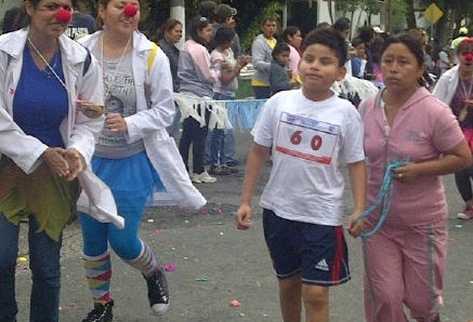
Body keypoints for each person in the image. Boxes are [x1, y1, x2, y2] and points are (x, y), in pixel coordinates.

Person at [78, 0, 205, 321]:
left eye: (132, 6)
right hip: (90, 161)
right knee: (93, 240)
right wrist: (85, 107)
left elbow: (165, 110)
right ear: (102, 11)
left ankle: (153, 272)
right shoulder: (80, 50)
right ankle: (102, 306)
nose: (128, 12)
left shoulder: (151, 55)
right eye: (120, 5)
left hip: (131, 162)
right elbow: (69, 95)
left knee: (121, 239)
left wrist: (130, 124)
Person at [236, 28, 367, 322]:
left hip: (322, 215)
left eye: (325, 61)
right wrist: (245, 201)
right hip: (278, 211)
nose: (315, 66)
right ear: (298, 63)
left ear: (340, 72)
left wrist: (360, 207)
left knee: (316, 294)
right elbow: (258, 151)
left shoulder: (346, 113)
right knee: (289, 284)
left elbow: (356, 162)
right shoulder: (279, 102)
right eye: (309, 58)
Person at [0, 0, 104, 321]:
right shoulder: (3, 52)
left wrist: (77, 151)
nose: (61, 14)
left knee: (46, 268)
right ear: (29, 8)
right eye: (50, 6)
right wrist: (39, 151)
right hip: (5, 171)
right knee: (1, 259)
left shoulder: (81, 59)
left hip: (54, 175)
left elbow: (92, 119)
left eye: (66, 6)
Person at [360, 34, 471, 322]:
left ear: (420, 68)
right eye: (388, 61)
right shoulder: (366, 108)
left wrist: (419, 169)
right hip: (378, 224)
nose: (394, 68)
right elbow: (355, 161)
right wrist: (359, 209)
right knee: (385, 298)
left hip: (423, 224)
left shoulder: (435, 111)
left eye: (403, 62)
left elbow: (462, 157)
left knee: (423, 304)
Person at [433, 37, 473, 220]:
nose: (469, 58)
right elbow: (435, 104)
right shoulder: (448, 77)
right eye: (464, 54)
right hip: (456, 129)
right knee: (461, 167)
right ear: (457, 57)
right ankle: (470, 204)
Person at [178, 15, 218, 184]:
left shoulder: (186, 46)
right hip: (200, 96)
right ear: (198, 31)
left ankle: (183, 170)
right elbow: (207, 75)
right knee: (200, 134)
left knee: (187, 135)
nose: (211, 33)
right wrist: (218, 73)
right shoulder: (199, 50)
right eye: (208, 30)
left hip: (187, 95)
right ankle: (199, 170)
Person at [208, 27, 249, 176]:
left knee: (226, 130)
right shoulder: (217, 56)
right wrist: (239, 67)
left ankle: (223, 161)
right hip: (221, 95)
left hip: (230, 94)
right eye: (230, 40)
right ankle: (215, 162)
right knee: (219, 130)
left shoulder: (228, 53)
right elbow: (225, 79)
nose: (232, 43)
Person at [158, 18, 183, 138]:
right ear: (167, 31)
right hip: (167, 96)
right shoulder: (161, 50)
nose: (180, 34)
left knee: (172, 134)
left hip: (175, 95)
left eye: (180, 32)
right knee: (166, 134)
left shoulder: (175, 50)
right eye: (176, 31)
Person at [251, 16, 278, 99]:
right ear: (262, 27)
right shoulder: (259, 42)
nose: (271, 28)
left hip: (273, 82)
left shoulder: (275, 41)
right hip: (261, 83)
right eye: (268, 26)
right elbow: (257, 63)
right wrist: (273, 67)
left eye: (273, 26)